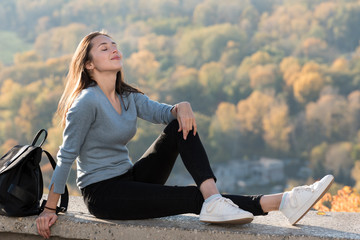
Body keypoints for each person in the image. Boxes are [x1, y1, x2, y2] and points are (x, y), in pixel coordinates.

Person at [36, 31, 334, 239]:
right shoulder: (86, 102)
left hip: (131, 179)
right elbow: (65, 157)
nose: (114, 48)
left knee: (182, 124)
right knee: (195, 197)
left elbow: (165, 113)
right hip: (103, 194)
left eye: (114, 44)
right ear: (88, 65)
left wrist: (183, 107)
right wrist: (51, 208)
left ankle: (228, 200)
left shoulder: (127, 96)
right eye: (103, 48)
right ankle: (282, 201)